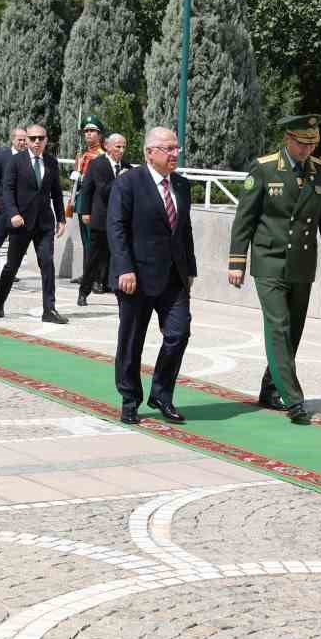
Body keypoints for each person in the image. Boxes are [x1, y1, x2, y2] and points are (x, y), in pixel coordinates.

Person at [228, 114, 321, 426]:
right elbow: (245, 218)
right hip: (269, 261)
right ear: (288, 140)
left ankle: (270, 388)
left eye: (312, 144)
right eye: (302, 144)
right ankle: (294, 400)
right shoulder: (264, 168)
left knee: (292, 332)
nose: (307, 150)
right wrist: (237, 260)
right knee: (278, 327)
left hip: (302, 264)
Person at [108, 127, 196, 425]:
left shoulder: (182, 185)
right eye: (168, 148)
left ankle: (161, 393)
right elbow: (116, 227)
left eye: (176, 148)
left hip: (173, 277)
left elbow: (185, 230)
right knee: (132, 340)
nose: (174, 154)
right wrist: (124, 268)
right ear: (150, 152)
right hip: (137, 276)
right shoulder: (129, 183)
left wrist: (191, 268)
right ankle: (130, 398)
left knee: (178, 333)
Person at [0, 122, 67, 323]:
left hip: (44, 223)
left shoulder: (51, 162)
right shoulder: (16, 161)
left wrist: (61, 218)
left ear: (46, 141)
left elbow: (57, 193)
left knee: (47, 264)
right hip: (21, 223)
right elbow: (7, 190)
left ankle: (49, 310)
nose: (36, 142)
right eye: (33, 138)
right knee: (12, 266)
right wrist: (13, 214)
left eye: (40, 138)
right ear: (26, 140)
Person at [77, 131, 125, 306]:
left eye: (123, 147)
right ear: (108, 146)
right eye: (118, 146)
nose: (121, 150)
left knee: (120, 255)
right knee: (94, 257)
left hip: (120, 220)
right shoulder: (98, 164)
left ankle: (118, 290)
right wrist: (85, 212)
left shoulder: (126, 167)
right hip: (100, 218)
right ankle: (84, 291)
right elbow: (96, 189)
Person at [71, 115, 106, 294]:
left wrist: (83, 178)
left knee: (95, 243)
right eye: (86, 131)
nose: (88, 134)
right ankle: (87, 275)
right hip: (81, 202)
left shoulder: (101, 156)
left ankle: (98, 279)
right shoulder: (83, 155)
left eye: (92, 131)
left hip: (93, 204)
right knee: (86, 242)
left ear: (100, 135)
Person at [0, 126, 27, 273]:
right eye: (20, 140)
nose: (23, 143)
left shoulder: (28, 157)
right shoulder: (2, 156)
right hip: (5, 203)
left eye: (25, 140)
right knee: (0, 233)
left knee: (15, 238)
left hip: (22, 204)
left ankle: (10, 269)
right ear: (13, 139)